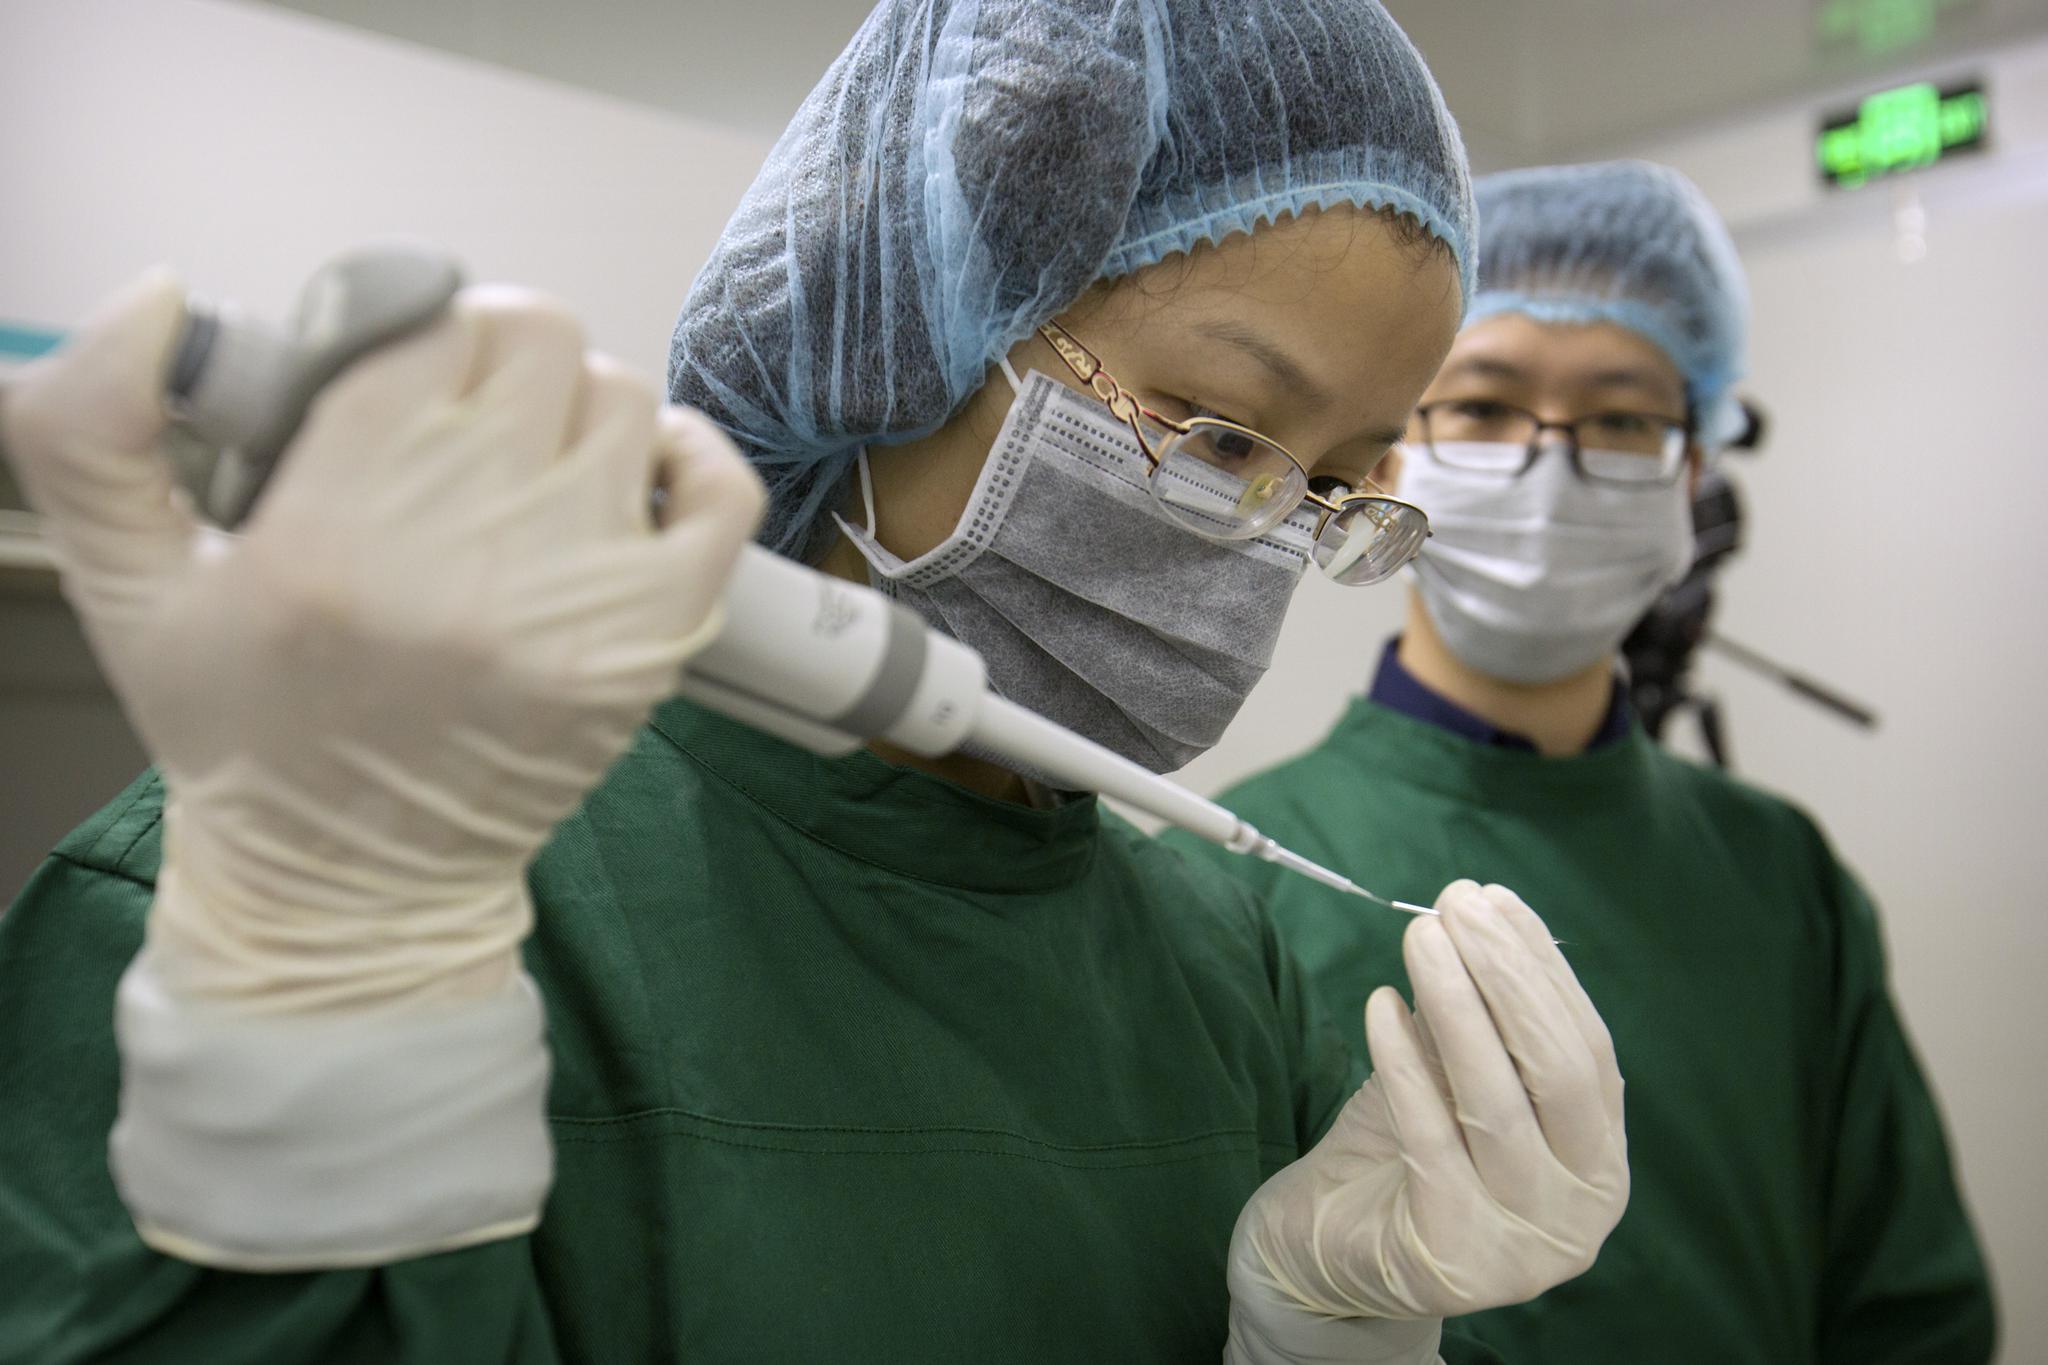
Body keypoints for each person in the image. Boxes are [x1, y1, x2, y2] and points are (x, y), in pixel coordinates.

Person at [0, 5, 1632, 1363]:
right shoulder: (334, 875)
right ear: (907, 327)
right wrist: (289, 1034)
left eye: (1334, 486)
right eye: (1219, 437)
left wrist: (1322, 1333)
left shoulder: (1216, 957)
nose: (1266, 539)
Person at [1168, 160, 1997, 1363]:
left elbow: (1910, 1312)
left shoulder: (1778, 873)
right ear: (1388, 458)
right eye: (1483, 406)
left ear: (1692, 473)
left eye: (1619, 419)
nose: (1548, 462)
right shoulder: (1228, 883)